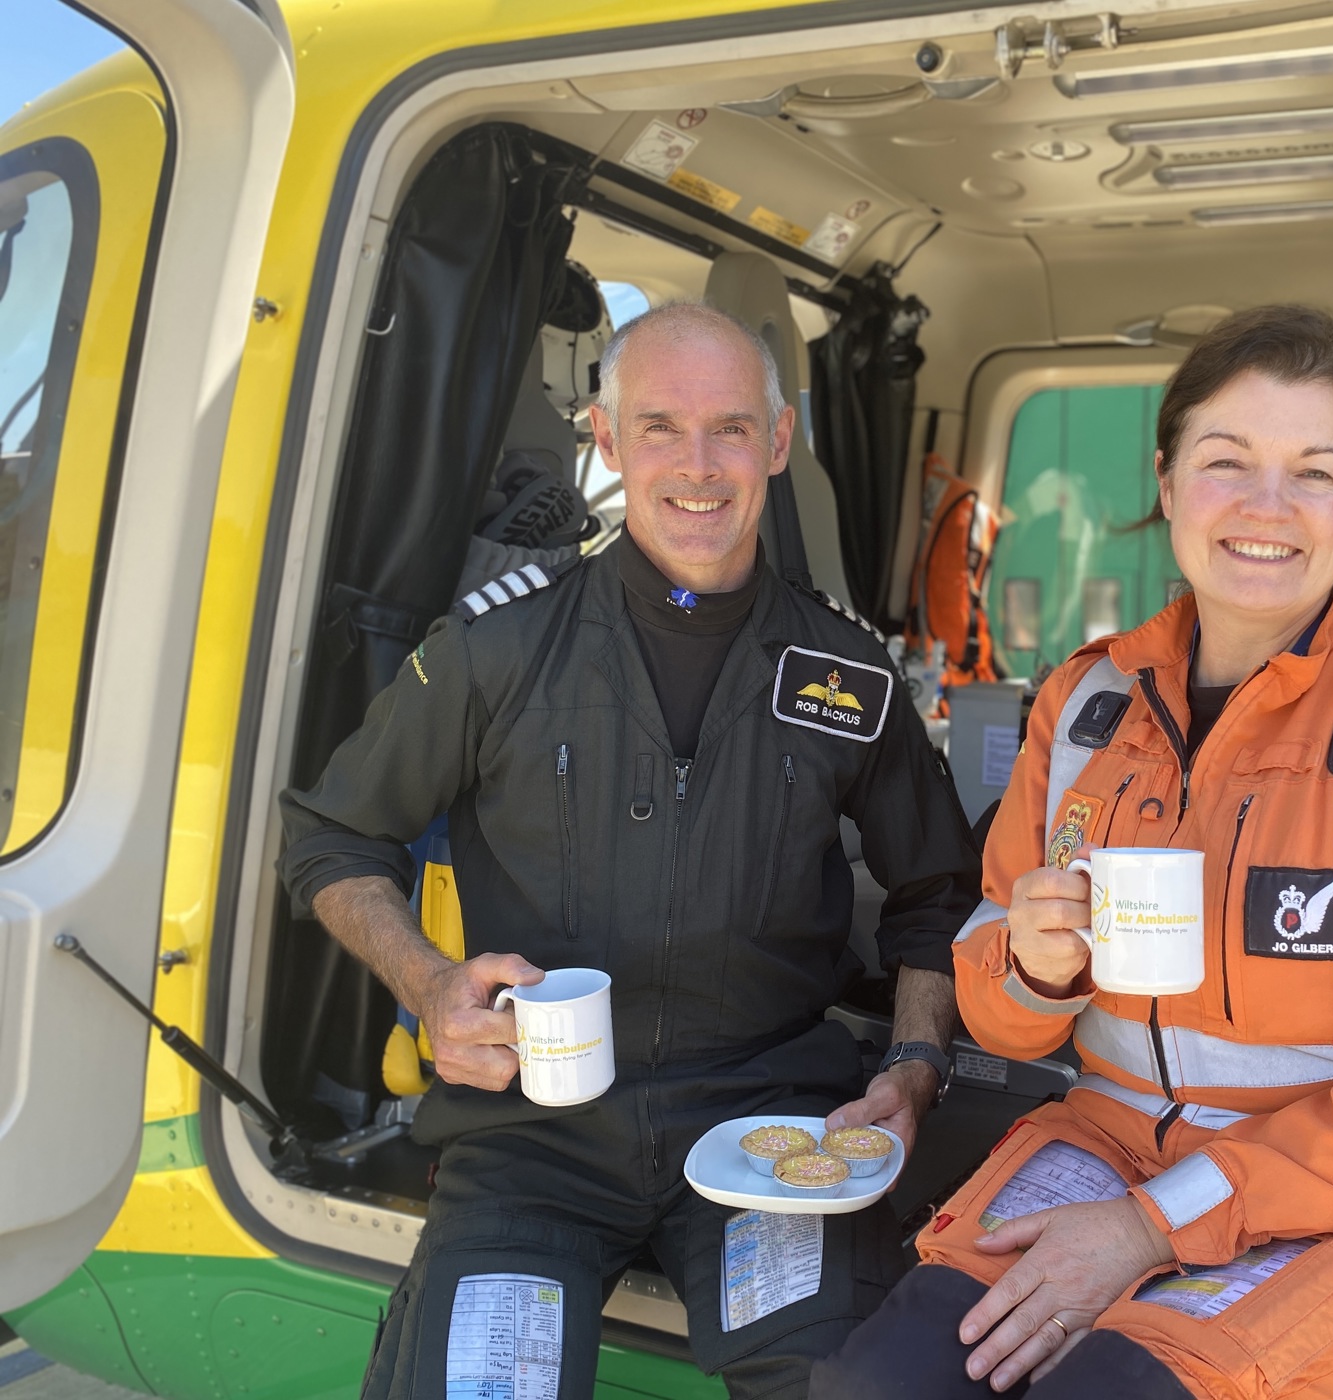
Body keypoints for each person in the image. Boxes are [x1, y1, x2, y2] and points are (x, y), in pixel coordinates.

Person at [814, 305, 1333, 1399]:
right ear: (1166, 484)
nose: (1266, 506)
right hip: (1108, 1151)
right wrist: (1031, 960)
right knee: (874, 1387)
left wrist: (1153, 1225)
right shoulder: (1083, 703)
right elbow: (1001, 1005)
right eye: (1226, 462)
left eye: (1313, 470)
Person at [278, 302, 982, 1399]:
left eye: (731, 429)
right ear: (606, 440)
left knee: (850, 1382)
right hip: (530, 1138)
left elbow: (936, 891)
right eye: (660, 427)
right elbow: (331, 834)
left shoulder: (846, 669)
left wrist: (914, 1059)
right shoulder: (494, 648)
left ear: (779, 442)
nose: (698, 466)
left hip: (769, 1136)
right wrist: (429, 983)